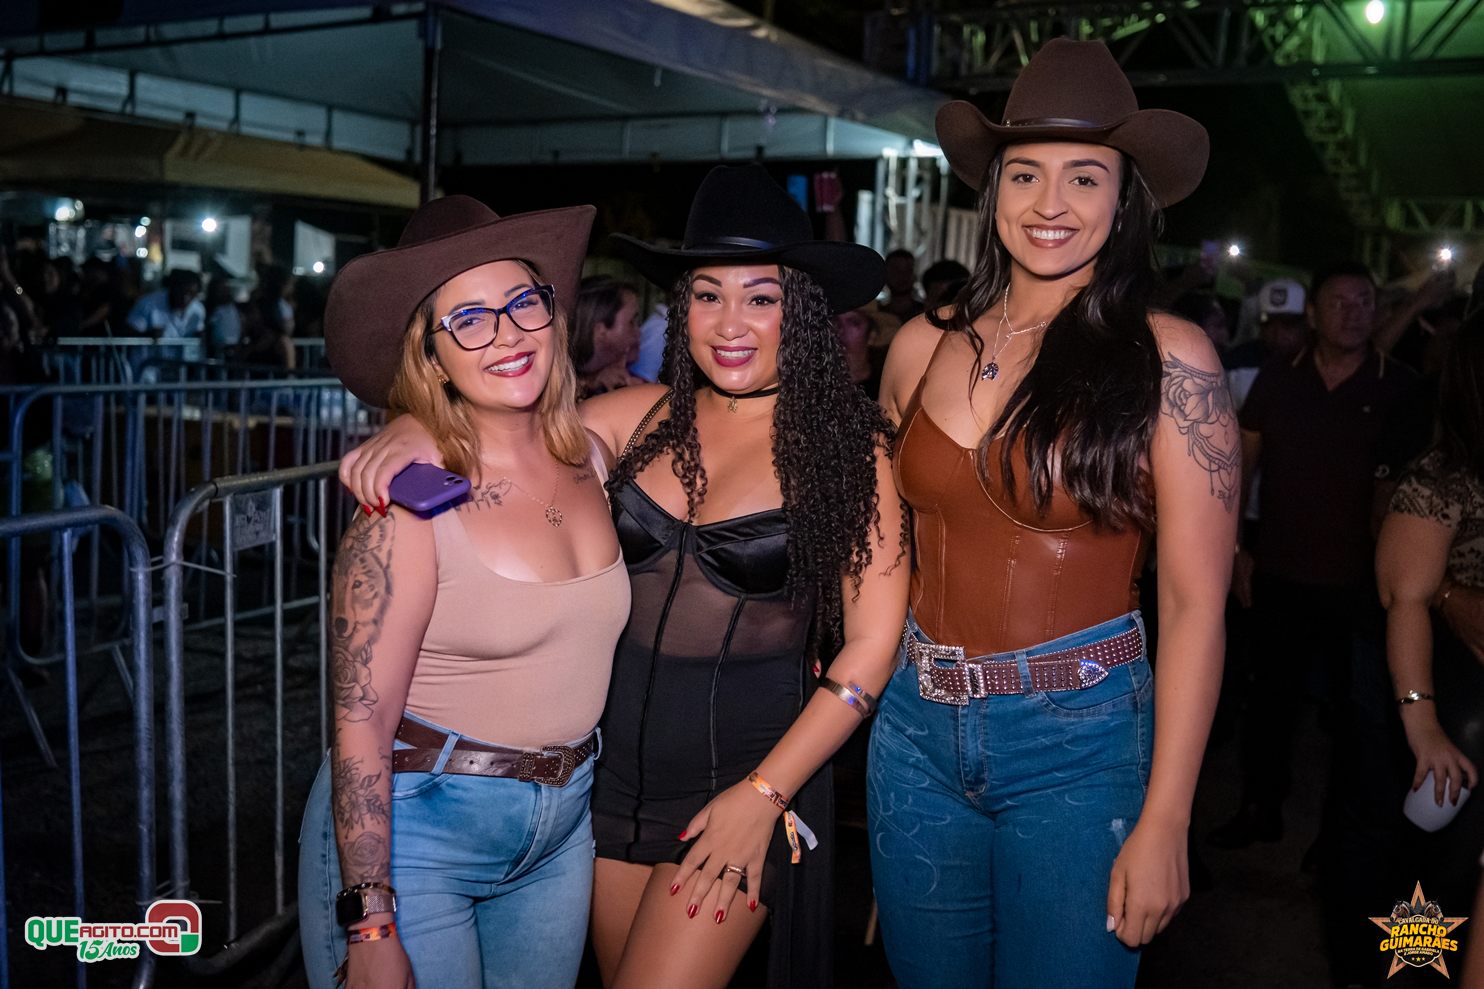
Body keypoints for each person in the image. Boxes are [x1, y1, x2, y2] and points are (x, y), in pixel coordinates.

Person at [339, 164, 909, 989]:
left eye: (760, 296)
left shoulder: (853, 449)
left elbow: (872, 647)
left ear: (803, 310)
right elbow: (498, 426)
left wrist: (765, 794)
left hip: (739, 784)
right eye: (707, 294)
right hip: (597, 793)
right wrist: (412, 427)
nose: (730, 323)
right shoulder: (631, 419)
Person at [869, 39, 1235, 989]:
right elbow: (884, 564)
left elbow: (1196, 605)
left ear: (1124, 200)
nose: (1050, 203)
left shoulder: (1171, 360)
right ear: (994, 191)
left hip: (1081, 743)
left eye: (1084, 176)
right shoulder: (916, 347)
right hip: (913, 735)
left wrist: (1167, 817)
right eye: (1025, 173)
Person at [299, 196, 631, 989]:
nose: (508, 333)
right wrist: (370, 918)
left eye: (522, 303)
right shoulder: (408, 503)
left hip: (560, 831)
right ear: (432, 356)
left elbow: (720, 403)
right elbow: (360, 723)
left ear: (552, 315)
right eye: (470, 320)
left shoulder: (594, 454)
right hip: (421, 832)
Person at [1376, 307, 1484, 971]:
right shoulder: (1445, 475)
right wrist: (1424, 725)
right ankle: (1414, 970)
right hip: (1461, 696)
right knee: (1439, 874)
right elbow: (1405, 596)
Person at [571, 274, 643, 397]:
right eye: (631, 322)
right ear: (601, 330)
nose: (638, 332)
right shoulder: (558, 381)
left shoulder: (621, 378)